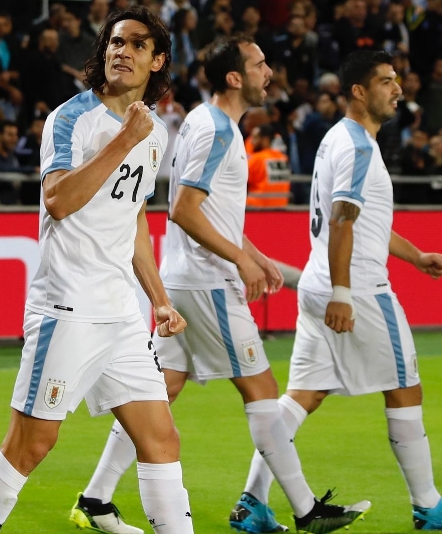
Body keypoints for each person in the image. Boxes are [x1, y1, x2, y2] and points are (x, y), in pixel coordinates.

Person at [70, 34, 371, 534]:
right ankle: (304, 510)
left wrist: (253, 254)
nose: (268, 72)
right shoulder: (220, 132)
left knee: (159, 390)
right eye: (259, 65)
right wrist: (239, 260)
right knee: (262, 388)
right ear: (235, 78)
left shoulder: (208, 124)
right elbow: (185, 209)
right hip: (207, 283)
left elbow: (206, 210)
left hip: (188, 278)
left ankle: (96, 498)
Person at [0, 9, 195, 532]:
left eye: (137, 45)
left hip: (123, 312)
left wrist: (157, 298)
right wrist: (122, 142)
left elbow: (134, 216)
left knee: (160, 440)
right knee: (31, 444)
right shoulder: (71, 119)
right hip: (68, 305)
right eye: (116, 42)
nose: (122, 52)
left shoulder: (152, 132)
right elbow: (59, 199)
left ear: (157, 61)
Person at [234, 50, 442, 532]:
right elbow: (343, 221)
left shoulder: (342, 140)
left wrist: (415, 257)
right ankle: (427, 504)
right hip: (359, 289)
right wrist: (345, 294)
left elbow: (365, 221)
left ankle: (252, 501)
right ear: (359, 91)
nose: (398, 89)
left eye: (397, 80)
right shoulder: (356, 147)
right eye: (387, 81)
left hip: (317, 284)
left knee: (302, 396)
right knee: (404, 386)